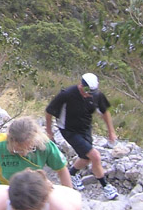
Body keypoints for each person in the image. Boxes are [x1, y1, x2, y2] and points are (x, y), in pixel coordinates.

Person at [0, 116, 73, 204]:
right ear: (10, 141)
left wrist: (69, 196)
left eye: (29, 148)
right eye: (18, 150)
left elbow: (61, 169)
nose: (24, 153)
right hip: (4, 188)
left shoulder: (45, 145)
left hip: (31, 188)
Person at [45, 72, 118, 200]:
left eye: (90, 93)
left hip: (85, 128)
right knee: (95, 156)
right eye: (86, 91)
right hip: (69, 130)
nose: (87, 95)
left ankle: (71, 174)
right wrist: (49, 131)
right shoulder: (67, 94)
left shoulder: (97, 96)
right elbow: (49, 111)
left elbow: (104, 112)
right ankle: (105, 186)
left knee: (86, 158)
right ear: (81, 85)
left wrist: (111, 131)